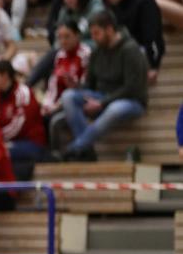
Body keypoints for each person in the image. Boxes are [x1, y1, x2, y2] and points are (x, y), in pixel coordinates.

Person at [60, 10, 147, 161]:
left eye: (96, 33)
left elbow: (132, 88)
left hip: (131, 100)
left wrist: (102, 103)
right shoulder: (97, 51)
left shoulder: (130, 50)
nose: (93, 38)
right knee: (68, 96)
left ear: (109, 29)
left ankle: (77, 147)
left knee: (114, 108)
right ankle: (86, 152)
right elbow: (90, 85)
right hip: (101, 97)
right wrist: (77, 86)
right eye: (92, 34)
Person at [0, 60, 49, 178]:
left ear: (4, 76)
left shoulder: (23, 93)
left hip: (31, 143)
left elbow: (19, 126)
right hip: (7, 142)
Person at [103, 0, 165, 83]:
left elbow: (153, 36)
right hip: (122, 57)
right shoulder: (114, 7)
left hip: (142, 53)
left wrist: (154, 66)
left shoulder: (144, 1)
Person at [36, 21, 91, 144]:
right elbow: (53, 85)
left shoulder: (86, 54)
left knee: (52, 120)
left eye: (67, 36)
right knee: (38, 116)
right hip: (58, 103)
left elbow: (87, 85)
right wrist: (47, 105)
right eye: (60, 37)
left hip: (78, 101)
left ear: (77, 36)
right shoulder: (60, 55)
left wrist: (74, 85)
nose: (63, 41)